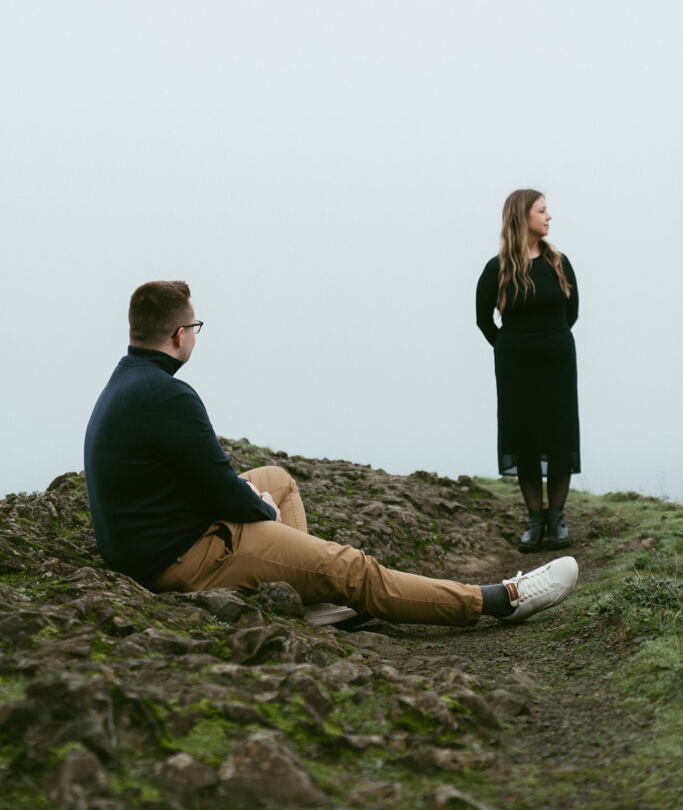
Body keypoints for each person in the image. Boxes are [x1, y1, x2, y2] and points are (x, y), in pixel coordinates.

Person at [85, 279, 579, 629]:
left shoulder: (127, 382)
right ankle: (496, 601)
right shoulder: (170, 397)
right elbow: (220, 489)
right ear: (179, 335)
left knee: (275, 477)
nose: (194, 334)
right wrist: (260, 510)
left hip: (159, 544)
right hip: (183, 561)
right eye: (195, 325)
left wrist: (252, 496)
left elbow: (199, 476)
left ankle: (303, 600)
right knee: (352, 569)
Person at [476, 190, 580, 553]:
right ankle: (535, 520)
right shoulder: (498, 267)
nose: (549, 217)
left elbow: (572, 313)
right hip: (516, 369)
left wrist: (547, 340)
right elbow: (482, 319)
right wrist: (509, 347)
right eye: (542, 210)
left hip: (558, 364)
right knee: (526, 440)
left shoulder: (558, 263)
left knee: (559, 435)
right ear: (524, 217)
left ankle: (558, 518)